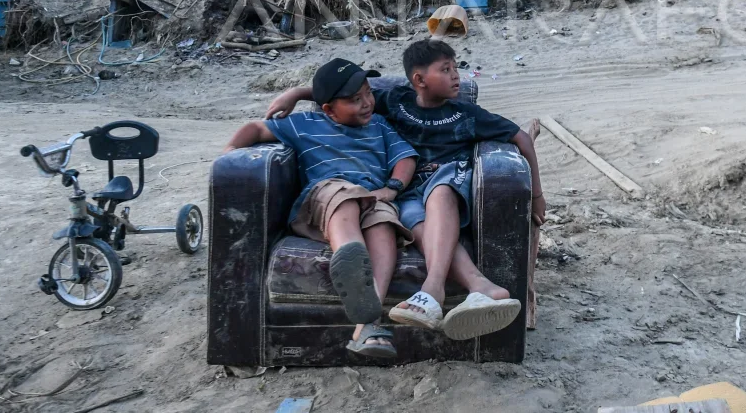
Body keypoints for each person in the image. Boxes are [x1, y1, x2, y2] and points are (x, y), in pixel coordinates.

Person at [266, 38, 545, 341]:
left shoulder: (467, 114)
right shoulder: (396, 101)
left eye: (455, 68)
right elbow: (345, 96)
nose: (456, 76)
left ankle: (432, 290)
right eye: (446, 69)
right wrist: (296, 93)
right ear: (419, 80)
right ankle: (482, 287)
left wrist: (537, 196)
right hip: (409, 191)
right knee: (419, 225)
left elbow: (521, 138)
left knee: (440, 193)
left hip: (448, 177)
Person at [225, 58, 417, 360]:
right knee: (345, 197)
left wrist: (391, 189)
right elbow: (255, 128)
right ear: (328, 109)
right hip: (326, 196)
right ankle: (349, 256)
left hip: (371, 196)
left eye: (368, 93)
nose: (367, 102)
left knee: (384, 224)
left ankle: (368, 322)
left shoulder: (380, 125)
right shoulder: (305, 123)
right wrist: (227, 155)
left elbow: (405, 158)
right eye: (355, 99)